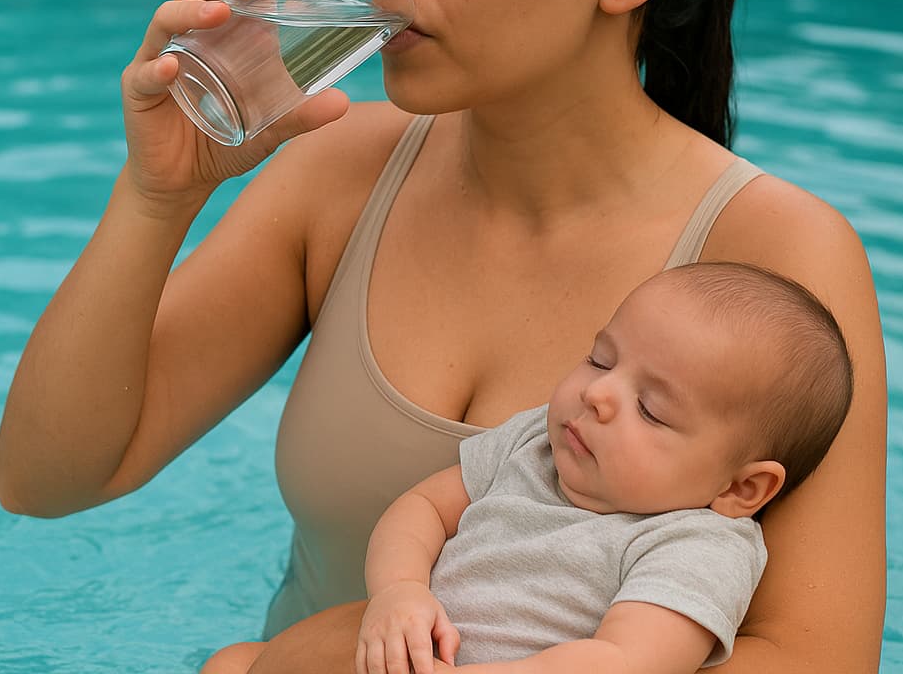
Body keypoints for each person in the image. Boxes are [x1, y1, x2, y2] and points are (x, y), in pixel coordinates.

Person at [0, 0, 886, 674]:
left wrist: (317, 659)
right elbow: (48, 479)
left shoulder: (775, 257)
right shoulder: (340, 175)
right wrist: (158, 196)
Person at [202, 262, 854, 674]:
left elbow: (623, 662)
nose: (598, 395)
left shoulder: (692, 544)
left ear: (742, 487)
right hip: (406, 649)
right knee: (232, 663)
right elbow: (423, 508)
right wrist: (399, 591)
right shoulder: (534, 445)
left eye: (651, 409)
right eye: (601, 360)